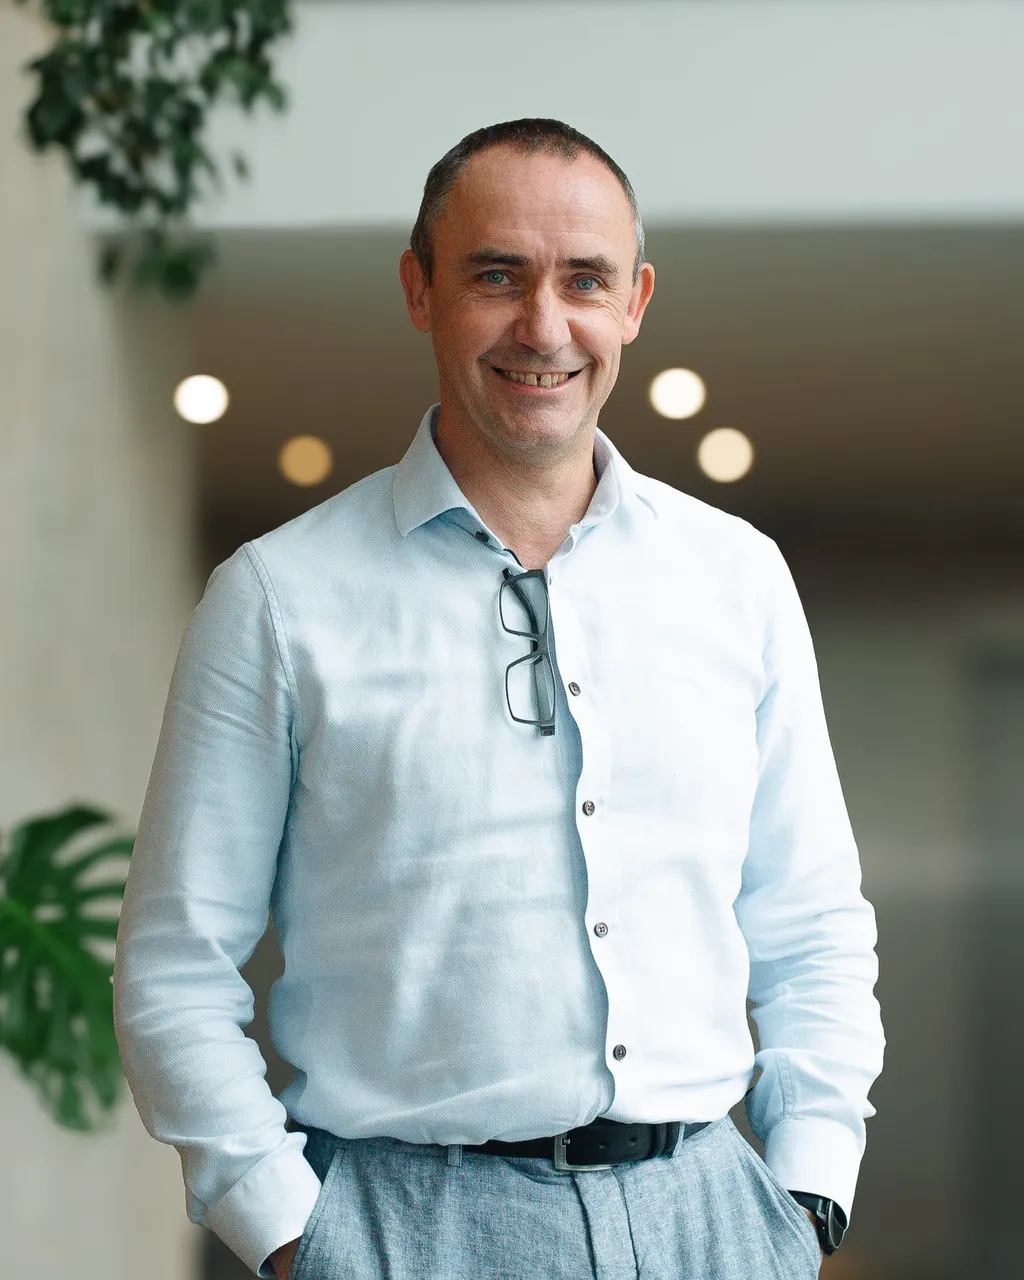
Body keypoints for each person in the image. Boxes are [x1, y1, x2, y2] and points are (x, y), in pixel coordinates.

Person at [113, 118, 885, 1280]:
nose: (544, 326)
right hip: (402, 1228)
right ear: (420, 288)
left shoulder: (736, 576)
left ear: (635, 301)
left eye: (585, 280)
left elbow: (811, 917)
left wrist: (808, 1189)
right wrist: (292, 1234)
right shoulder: (278, 596)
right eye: (495, 275)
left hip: (717, 1220)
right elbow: (175, 959)